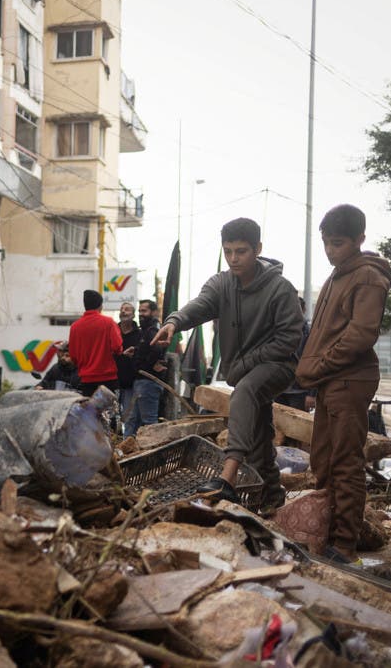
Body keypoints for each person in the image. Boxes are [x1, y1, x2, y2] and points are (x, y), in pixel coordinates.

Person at [152, 218, 303, 512]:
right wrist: (174, 321)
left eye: (242, 251)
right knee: (259, 436)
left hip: (278, 367)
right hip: (243, 371)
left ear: (258, 249)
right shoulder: (221, 283)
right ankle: (272, 497)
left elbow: (289, 339)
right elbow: (200, 304)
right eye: (228, 250)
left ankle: (227, 477)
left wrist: (246, 363)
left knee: (244, 391)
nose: (234, 258)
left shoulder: (281, 289)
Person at [295, 204, 391, 564]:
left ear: (360, 240)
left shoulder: (367, 277)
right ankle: (326, 535)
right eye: (326, 243)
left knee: (345, 462)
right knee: (322, 460)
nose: (330, 250)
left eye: (337, 243)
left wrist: (319, 366)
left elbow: (360, 335)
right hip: (329, 381)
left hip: (349, 379)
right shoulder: (339, 276)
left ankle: (345, 546)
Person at [68, 290, 128, 398]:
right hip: (108, 380)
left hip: (86, 381)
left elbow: (73, 355)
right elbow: (117, 348)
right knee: (109, 414)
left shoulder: (75, 327)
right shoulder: (108, 322)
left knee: (90, 413)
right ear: (100, 306)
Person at [123, 299, 167, 438]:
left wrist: (145, 367)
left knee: (149, 423)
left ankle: (154, 455)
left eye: (144, 311)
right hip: (141, 382)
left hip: (147, 382)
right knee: (133, 420)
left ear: (153, 312)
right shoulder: (146, 330)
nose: (141, 314)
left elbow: (157, 348)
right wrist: (135, 351)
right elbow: (147, 348)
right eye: (140, 311)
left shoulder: (153, 329)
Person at [275, 297, 313, 412]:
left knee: (297, 426)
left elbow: (313, 364)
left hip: (299, 392)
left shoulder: (310, 335)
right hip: (278, 389)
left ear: (303, 310)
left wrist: (312, 394)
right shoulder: (277, 330)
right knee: (276, 425)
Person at [115, 303, 141, 430]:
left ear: (133, 314)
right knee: (111, 416)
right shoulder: (113, 331)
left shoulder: (139, 334)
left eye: (127, 309)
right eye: (121, 309)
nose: (123, 312)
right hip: (113, 381)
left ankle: (127, 443)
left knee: (130, 416)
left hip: (132, 382)